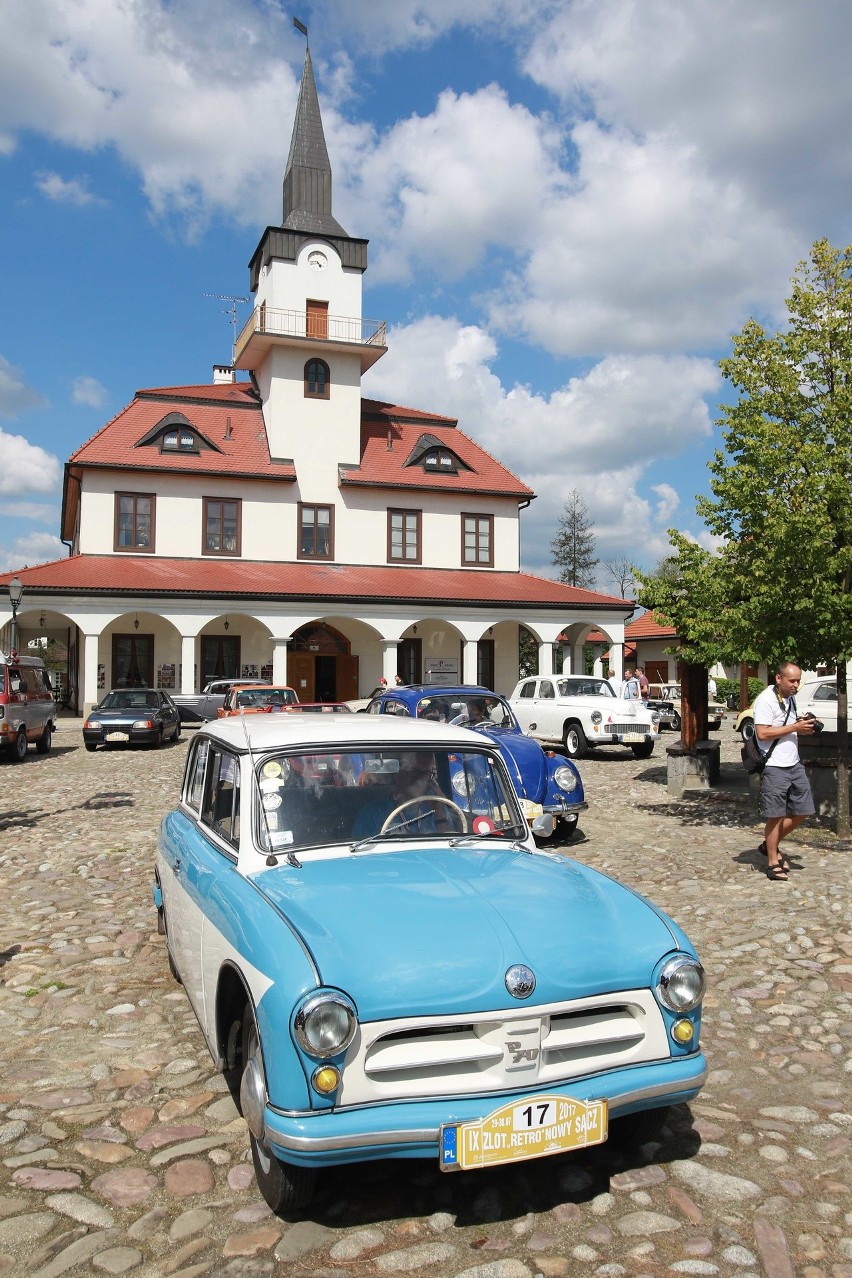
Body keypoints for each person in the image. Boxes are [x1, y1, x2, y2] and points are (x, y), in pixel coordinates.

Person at [753, 660, 818, 881]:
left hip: (794, 763)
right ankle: (772, 861)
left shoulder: (790, 698)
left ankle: (768, 844)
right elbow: (762, 734)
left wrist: (802, 727)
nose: (796, 685)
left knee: (803, 810)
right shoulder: (765, 700)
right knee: (776, 815)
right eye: (792, 680)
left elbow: (786, 728)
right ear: (778, 678)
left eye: (798, 680)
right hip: (774, 766)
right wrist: (794, 727)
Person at [351, 752, 448, 837]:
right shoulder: (372, 813)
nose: (420, 780)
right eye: (415, 772)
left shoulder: (436, 807)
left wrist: (439, 812)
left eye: (426, 773)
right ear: (399, 773)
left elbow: (451, 845)